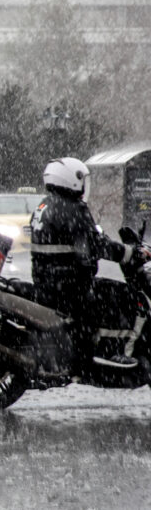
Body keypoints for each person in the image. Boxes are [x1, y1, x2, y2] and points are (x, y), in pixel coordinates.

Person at [31, 156, 150, 369]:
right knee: (127, 297)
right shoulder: (73, 209)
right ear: (71, 179)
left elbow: (82, 242)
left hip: (49, 281)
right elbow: (96, 244)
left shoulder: (45, 204)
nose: (85, 186)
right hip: (70, 286)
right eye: (82, 179)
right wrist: (130, 253)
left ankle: (90, 349)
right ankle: (114, 352)